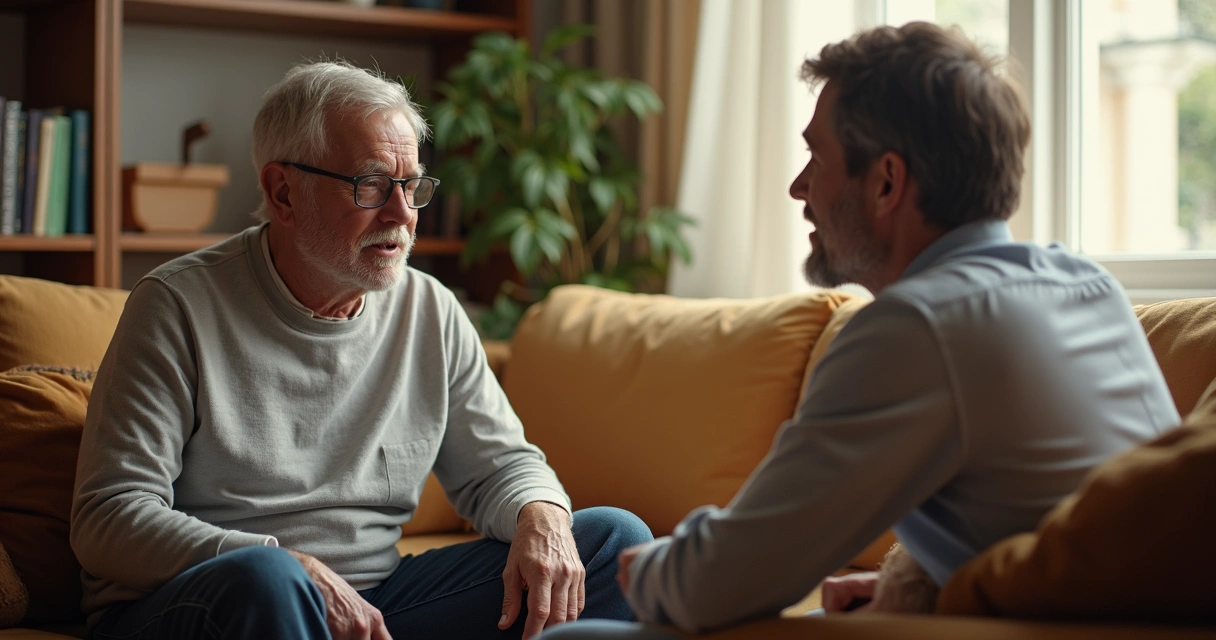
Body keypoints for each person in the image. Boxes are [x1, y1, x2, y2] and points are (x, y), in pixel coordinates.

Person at [541, 22, 1178, 639]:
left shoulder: (919, 326)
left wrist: (653, 568)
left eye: (816, 156)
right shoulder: (1085, 284)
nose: (798, 187)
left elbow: (718, 585)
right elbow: (1060, 524)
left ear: (886, 182)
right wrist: (922, 585)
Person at [70, 61, 651, 640]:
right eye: (370, 185)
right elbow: (108, 517)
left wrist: (540, 514)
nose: (402, 215)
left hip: (377, 604)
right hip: (211, 599)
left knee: (613, 542)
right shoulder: (176, 304)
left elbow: (501, 464)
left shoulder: (430, 309)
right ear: (283, 193)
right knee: (269, 582)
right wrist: (287, 566)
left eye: (411, 185)